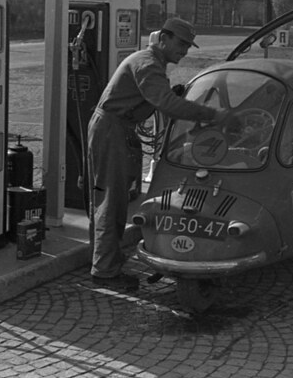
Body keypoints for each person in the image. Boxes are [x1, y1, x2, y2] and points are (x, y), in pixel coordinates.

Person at [88, 17, 227, 291]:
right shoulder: (148, 63)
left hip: (117, 128)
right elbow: (165, 103)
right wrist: (212, 115)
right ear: (163, 39)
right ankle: (104, 271)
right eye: (181, 43)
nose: (185, 50)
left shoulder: (152, 63)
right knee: (111, 199)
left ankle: (104, 260)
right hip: (112, 129)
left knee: (113, 198)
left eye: (188, 45)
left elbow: (159, 97)